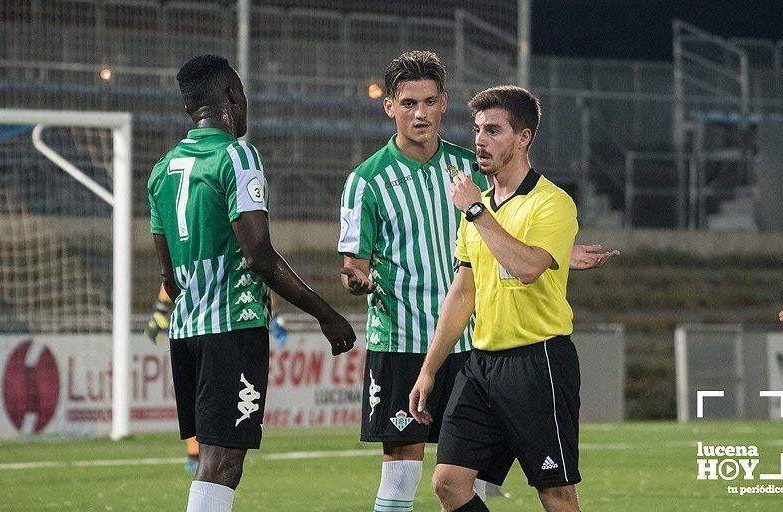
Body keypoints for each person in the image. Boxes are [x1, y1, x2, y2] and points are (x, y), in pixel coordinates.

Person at [339, 52, 613, 512]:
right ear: (390, 107)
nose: (420, 113)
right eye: (408, 103)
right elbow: (460, 287)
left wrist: (555, 254)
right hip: (430, 346)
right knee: (432, 477)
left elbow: (525, 258)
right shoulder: (373, 181)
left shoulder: (482, 185)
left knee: (546, 489)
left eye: (429, 101)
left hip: (521, 355)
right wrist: (426, 365)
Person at [148, 54, 355, 512]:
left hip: (186, 333)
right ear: (232, 97)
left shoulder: (163, 168)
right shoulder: (237, 156)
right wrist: (327, 313)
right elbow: (258, 254)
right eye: (241, 95)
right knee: (222, 462)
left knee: (214, 456)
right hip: (231, 328)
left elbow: (168, 275)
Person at [410, 85, 583, 512]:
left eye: (493, 130)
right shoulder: (480, 208)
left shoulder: (551, 203)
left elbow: (528, 269)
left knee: (555, 494)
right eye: (476, 130)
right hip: (482, 364)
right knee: (448, 482)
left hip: (538, 362)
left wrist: (475, 213)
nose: (480, 141)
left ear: (523, 137)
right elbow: (462, 292)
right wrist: (429, 369)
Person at [144, 285, 287, 473]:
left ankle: (197, 455)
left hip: (188, 328)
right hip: (218, 327)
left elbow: (170, 273)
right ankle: (206, 457)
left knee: (200, 396)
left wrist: (160, 309)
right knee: (211, 396)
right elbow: (262, 268)